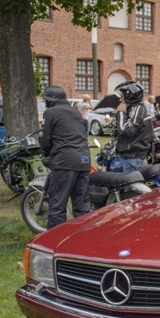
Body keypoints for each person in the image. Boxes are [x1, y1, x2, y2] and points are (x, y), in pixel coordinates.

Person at [40, 86, 92, 229]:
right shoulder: (76, 112)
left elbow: (45, 140)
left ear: (50, 101)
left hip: (64, 161)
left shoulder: (50, 112)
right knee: (82, 206)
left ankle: (54, 240)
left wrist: (46, 151)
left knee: (57, 204)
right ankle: (84, 237)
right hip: (84, 160)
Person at [113, 81, 153, 173]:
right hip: (130, 155)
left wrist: (121, 113)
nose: (120, 100)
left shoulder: (137, 109)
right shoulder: (133, 109)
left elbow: (126, 130)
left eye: (122, 97)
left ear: (129, 96)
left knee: (131, 185)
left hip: (133, 156)